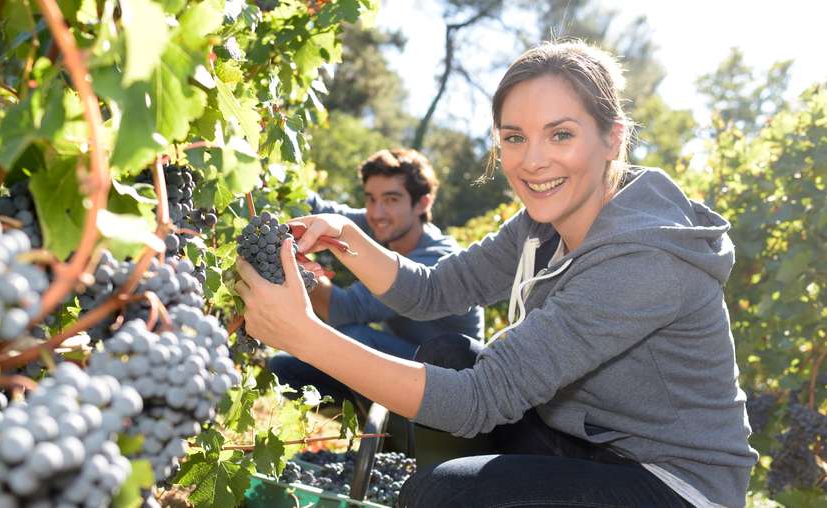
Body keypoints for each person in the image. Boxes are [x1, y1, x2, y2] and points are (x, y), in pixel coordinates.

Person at [235, 40, 758, 508]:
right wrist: (343, 237)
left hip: (674, 485)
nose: (532, 162)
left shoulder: (643, 259)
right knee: (448, 354)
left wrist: (304, 336)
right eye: (514, 137)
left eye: (561, 135)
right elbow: (434, 290)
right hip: (581, 440)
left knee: (444, 491)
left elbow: (478, 401)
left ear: (613, 139)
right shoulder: (541, 222)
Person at [268, 149, 484, 405]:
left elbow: (346, 308)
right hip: (395, 363)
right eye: (370, 199)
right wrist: (268, 175)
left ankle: (388, 434)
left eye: (391, 199)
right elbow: (321, 212)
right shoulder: (383, 224)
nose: (377, 212)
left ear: (422, 204)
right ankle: (367, 418)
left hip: (449, 384)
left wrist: (289, 262)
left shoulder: (436, 256)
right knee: (283, 368)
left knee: (353, 337)